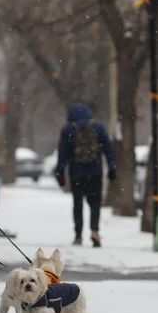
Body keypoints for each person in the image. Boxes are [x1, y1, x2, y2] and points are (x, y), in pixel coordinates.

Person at [55, 102, 116, 247]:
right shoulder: (98, 127)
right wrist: (112, 168)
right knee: (95, 205)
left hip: (77, 174)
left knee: (78, 204)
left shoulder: (68, 129)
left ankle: (78, 235)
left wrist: (60, 175)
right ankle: (94, 232)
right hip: (95, 173)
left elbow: (62, 154)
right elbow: (108, 149)